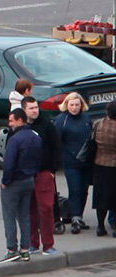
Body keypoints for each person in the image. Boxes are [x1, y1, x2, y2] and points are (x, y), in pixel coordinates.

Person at [0, 108, 42, 263]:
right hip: (29, 180)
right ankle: (25, 249)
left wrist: (5, 181)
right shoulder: (35, 137)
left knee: (9, 215)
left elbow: (8, 164)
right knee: (24, 215)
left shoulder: (15, 140)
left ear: (20, 120)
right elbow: (38, 159)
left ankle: (11, 249)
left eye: (11, 120)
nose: (9, 124)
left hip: (14, 181)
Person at [22, 96, 62, 255]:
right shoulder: (21, 127)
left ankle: (48, 245)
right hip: (26, 175)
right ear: (24, 109)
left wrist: (52, 170)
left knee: (45, 207)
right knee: (30, 209)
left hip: (44, 173)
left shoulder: (47, 126)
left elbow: (57, 147)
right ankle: (33, 243)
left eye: (36, 107)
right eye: (31, 108)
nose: (35, 111)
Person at [55, 92, 93, 234]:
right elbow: (56, 141)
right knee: (75, 189)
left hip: (86, 162)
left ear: (81, 105)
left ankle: (79, 217)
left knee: (84, 190)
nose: (74, 108)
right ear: (66, 105)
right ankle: (75, 218)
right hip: (70, 162)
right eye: (71, 105)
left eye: (77, 105)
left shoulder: (86, 118)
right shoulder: (62, 120)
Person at [92, 100, 116, 237]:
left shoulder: (98, 124)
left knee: (100, 197)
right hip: (114, 165)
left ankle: (100, 227)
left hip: (100, 164)